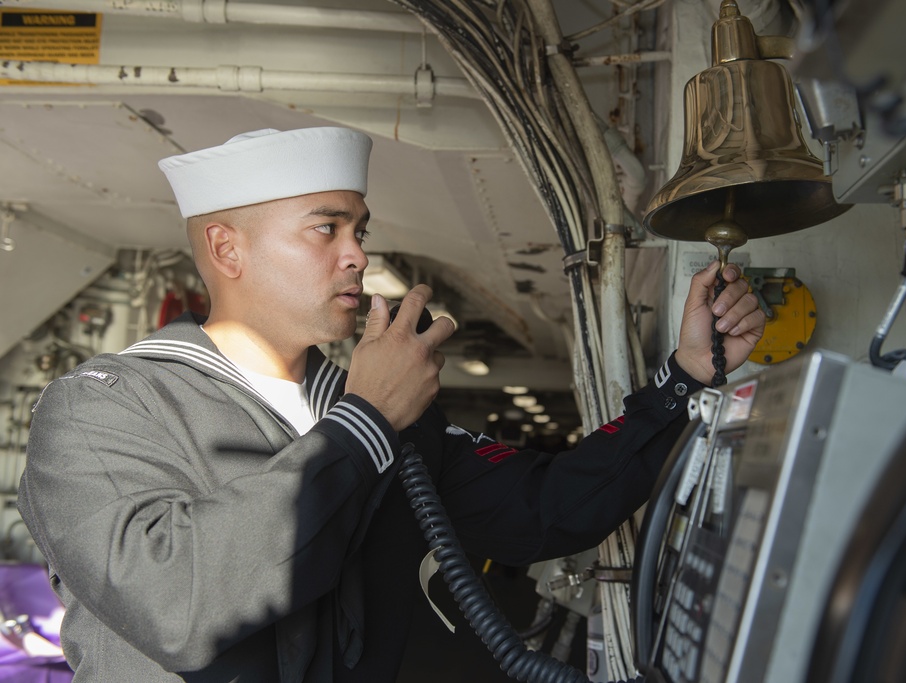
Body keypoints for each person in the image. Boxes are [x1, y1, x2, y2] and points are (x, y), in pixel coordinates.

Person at [17, 127, 765, 682]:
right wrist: (365, 422)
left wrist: (682, 377)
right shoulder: (103, 411)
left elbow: (552, 505)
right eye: (326, 228)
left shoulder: (374, 408)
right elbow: (179, 604)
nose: (357, 254)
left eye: (359, 230)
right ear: (226, 248)